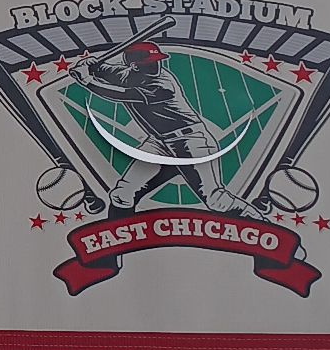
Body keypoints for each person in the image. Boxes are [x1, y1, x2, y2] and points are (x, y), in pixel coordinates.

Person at [71, 39, 270, 223]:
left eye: (157, 61)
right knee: (123, 194)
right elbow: (108, 70)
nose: (155, 66)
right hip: (158, 143)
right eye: (150, 62)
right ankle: (116, 242)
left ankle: (263, 226)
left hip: (192, 140)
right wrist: (93, 66)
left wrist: (86, 79)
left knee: (216, 200)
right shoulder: (129, 74)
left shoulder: (162, 83)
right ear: (134, 66)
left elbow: (119, 94)